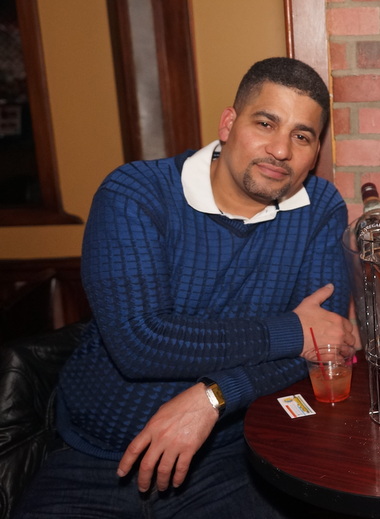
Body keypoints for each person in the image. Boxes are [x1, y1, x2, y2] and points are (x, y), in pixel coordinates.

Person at [15, 57, 356, 518]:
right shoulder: (136, 193)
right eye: (265, 123)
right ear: (229, 124)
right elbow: (139, 344)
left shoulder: (320, 207)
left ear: (315, 153)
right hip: (95, 460)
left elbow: (325, 346)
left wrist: (215, 395)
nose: (280, 150)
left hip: (227, 460)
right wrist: (291, 332)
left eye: (302, 136)